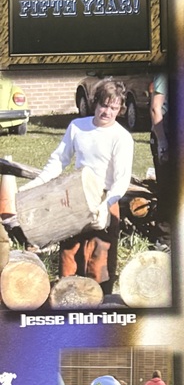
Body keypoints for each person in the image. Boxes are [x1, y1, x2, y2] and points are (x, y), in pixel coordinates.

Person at [23, 79, 133, 295]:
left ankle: (100, 306)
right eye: (104, 105)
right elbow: (59, 160)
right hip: (73, 197)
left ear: (120, 109)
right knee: (69, 255)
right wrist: (37, 183)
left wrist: (106, 204)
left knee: (99, 261)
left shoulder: (122, 138)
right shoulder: (77, 127)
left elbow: (121, 180)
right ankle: (67, 302)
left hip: (105, 200)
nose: (107, 112)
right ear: (95, 103)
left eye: (114, 108)